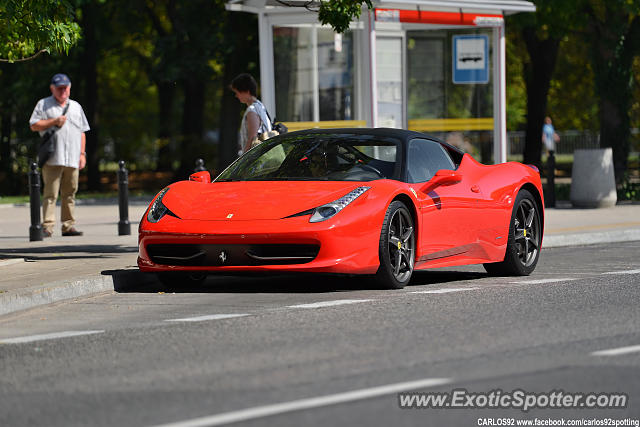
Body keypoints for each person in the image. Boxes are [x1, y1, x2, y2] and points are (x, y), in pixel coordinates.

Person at [29, 73, 90, 237]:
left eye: (65, 88)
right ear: (52, 88)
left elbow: (82, 132)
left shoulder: (76, 106)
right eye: (59, 88)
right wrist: (54, 121)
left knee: (70, 193)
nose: (63, 91)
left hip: (72, 158)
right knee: (50, 194)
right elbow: (34, 125)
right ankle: (47, 227)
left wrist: (82, 154)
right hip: (52, 158)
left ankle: (68, 226)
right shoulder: (44, 104)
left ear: (69, 88)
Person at [230, 73, 272, 155]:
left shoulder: (252, 110)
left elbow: (253, 137)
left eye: (237, 92)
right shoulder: (260, 106)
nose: (236, 96)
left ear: (247, 91)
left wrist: (244, 159)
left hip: (258, 157)